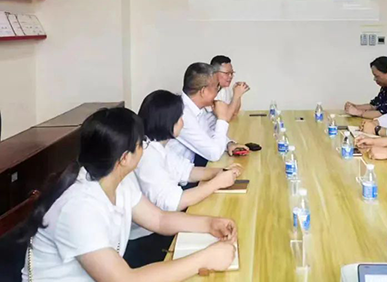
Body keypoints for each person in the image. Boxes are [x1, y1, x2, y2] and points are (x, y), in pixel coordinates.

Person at [17, 107, 237, 282]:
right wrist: (205, 258)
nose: (145, 148)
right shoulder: (78, 208)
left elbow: (159, 219)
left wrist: (209, 223)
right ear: (124, 158)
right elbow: (125, 280)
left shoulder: (116, 181)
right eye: (142, 144)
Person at [126, 90, 244, 267]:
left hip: (160, 225)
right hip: (146, 238)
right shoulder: (148, 156)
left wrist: (221, 172)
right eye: (180, 118)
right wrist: (217, 183)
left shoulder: (158, 146)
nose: (183, 122)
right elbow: (174, 203)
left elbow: (187, 171)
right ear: (169, 122)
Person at [168, 63, 249, 166]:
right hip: (176, 174)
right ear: (203, 91)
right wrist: (222, 118)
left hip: (189, 168)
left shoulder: (194, 107)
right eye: (216, 87)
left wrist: (229, 144)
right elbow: (214, 154)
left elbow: (208, 134)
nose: (217, 92)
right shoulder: (182, 115)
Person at [210, 55, 250, 121]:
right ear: (214, 73)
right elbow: (225, 118)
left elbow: (234, 113)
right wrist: (236, 96)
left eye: (232, 73)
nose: (230, 76)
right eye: (227, 73)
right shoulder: (210, 91)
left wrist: (238, 94)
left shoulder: (224, 89)